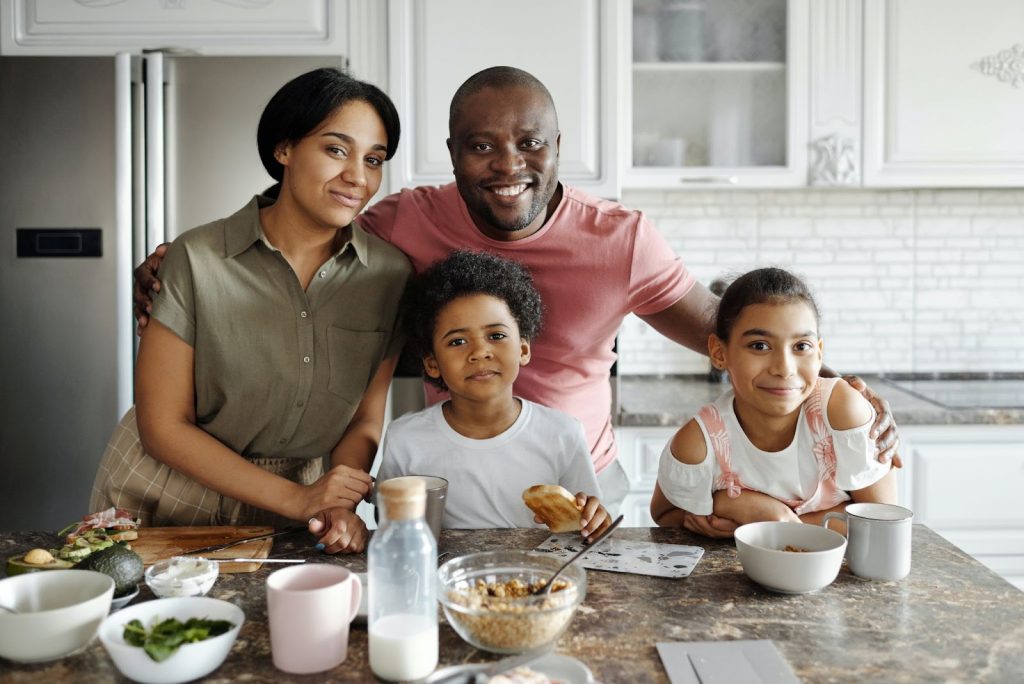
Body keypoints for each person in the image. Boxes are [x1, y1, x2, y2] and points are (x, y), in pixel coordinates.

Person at [131, 66, 900, 534]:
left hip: (577, 490)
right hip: (446, 487)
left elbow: (733, 333)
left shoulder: (621, 240)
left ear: (559, 147)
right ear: (452, 152)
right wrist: (182, 262)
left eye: (530, 142)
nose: (508, 164)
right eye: (481, 145)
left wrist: (838, 386)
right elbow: (303, 219)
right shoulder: (401, 223)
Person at [91, 67, 411, 554]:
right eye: (336, 149)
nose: (358, 177)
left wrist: (335, 502)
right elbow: (162, 425)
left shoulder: (389, 276)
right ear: (284, 149)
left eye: (374, 159)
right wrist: (301, 500)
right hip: (162, 491)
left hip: (295, 509)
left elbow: (364, 421)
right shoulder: (195, 259)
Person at [377, 250, 610, 538]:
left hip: (540, 578)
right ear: (432, 363)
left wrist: (592, 516)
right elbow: (389, 523)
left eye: (496, 336)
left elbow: (584, 524)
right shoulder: (405, 439)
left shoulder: (563, 433)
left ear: (523, 349)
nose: (480, 352)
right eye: (458, 341)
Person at [650, 268, 897, 534]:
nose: (784, 368)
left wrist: (768, 517)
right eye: (760, 346)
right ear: (719, 353)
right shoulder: (700, 442)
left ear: (819, 353)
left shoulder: (842, 411)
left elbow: (881, 523)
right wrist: (732, 507)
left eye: (801, 346)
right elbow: (665, 514)